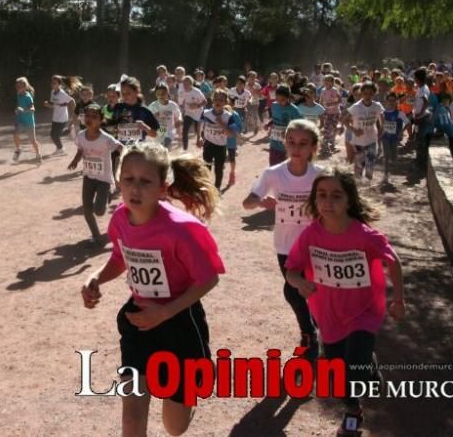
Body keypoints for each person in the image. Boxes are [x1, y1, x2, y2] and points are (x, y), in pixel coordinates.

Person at [80, 143, 224, 437]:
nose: (135, 188)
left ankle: (187, 397)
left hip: (180, 322)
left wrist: (166, 312)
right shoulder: (121, 218)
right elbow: (121, 257)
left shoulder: (181, 229)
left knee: (175, 427)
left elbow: (208, 279)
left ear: (163, 187)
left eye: (146, 181)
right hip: (139, 321)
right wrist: (96, 277)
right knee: (132, 422)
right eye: (128, 179)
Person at [285, 168, 405, 437]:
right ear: (315, 199)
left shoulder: (364, 235)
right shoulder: (311, 235)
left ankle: (352, 415)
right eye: (322, 195)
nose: (328, 202)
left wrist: (398, 300)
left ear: (349, 200)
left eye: (336, 196)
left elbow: (393, 262)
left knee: (352, 372)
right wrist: (300, 282)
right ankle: (363, 385)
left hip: (364, 312)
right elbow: (291, 270)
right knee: (338, 376)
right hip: (329, 315)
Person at [243, 120, 322, 360]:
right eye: (291, 142)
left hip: (316, 244)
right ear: (284, 142)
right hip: (286, 244)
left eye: (302, 143)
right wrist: (260, 202)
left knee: (312, 290)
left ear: (313, 147)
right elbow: (247, 202)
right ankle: (309, 331)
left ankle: (313, 330)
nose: (296, 148)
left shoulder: (320, 176)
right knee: (293, 289)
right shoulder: (273, 174)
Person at [68, 104, 123, 244]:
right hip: (88, 177)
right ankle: (96, 235)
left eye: (94, 116)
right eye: (87, 115)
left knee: (99, 211)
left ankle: (107, 195)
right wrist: (75, 161)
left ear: (101, 120)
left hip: (103, 179)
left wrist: (120, 161)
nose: (90, 119)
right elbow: (81, 150)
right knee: (87, 209)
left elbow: (120, 147)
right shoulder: (81, 136)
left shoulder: (105, 138)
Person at [198, 89, 240, 190]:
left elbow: (231, 135)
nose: (218, 101)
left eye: (221, 100)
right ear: (212, 100)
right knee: (206, 168)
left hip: (221, 146)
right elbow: (199, 124)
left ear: (225, 102)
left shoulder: (228, 116)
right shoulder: (205, 113)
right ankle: (206, 188)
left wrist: (221, 124)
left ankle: (217, 189)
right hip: (208, 144)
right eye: (216, 99)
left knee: (218, 169)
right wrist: (199, 137)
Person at [344, 82, 384, 181]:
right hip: (358, 141)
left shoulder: (377, 106)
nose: (367, 96)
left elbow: (382, 119)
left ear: (374, 94)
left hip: (372, 139)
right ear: (361, 93)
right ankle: (358, 186)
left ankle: (368, 185)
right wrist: (354, 130)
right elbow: (344, 120)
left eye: (370, 93)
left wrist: (381, 132)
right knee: (359, 164)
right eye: (365, 93)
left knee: (370, 164)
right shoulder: (356, 107)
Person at [109, 76, 160, 146]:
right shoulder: (118, 108)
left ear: (136, 92)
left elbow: (155, 134)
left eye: (128, 93)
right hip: (120, 148)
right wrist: (114, 128)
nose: (125, 96)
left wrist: (144, 127)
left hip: (138, 149)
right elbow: (111, 129)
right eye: (122, 93)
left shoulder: (144, 111)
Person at [267, 85, 302, 166]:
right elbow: (274, 118)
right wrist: (268, 124)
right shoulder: (274, 105)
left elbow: (300, 125)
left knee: (287, 167)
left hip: (287, 145)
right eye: (277, 99)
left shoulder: (294, 110)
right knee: (273, 166)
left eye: (282, 100)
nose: (279, 102)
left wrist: (288, 131)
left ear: (288, 97)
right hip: (274, 142)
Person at [44, 75, 76, 156]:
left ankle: (60, 148)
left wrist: (75, 112)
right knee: (53, 134)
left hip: (62, 117)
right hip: (55, 117)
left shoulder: (62, 93)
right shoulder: (52, 92)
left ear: (59, 84)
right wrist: (48, 104)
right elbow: (54, 104)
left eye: (54, 83)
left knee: (54, 135)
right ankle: (68, 132)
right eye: (52, 83)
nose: (52, 84)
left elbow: (72, 101)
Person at [380, 94, 408, 184]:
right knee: (387, 155)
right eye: (390, 100)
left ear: (396, 102)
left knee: (393, 157)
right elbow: (378, 124)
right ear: (386, 101)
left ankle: (391, 163)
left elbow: (408, 123)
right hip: (385, 137)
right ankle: (386, 175)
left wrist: (401, 132)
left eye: (393, 100)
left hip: (395, 138)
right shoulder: (382, 113)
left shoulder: (400, 113)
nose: (391, 102)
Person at [12, 77, 41, 164]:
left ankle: (38, 154)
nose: (18, 88)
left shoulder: (28, 97)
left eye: (20, 86)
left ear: (25, 87)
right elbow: (19, 106)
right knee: (15, 134)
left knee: (32, 140)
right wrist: (17, 110)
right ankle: (18, 150)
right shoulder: (18, 94)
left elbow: (32, 109)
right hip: (20, 120)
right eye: (17, 87)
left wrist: (24, 110)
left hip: (29, 122)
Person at [148, 83, 182, 151]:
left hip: (169, 131)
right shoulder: (153, 106)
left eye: (163, 93)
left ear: (167, 93)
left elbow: (178, 114)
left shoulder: (172, 105)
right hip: (158, 132)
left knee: (165, 146)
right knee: (159, 151)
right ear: (155, 94)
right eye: (158, 94)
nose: (161, 96)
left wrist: (179, 120)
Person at [411, 68, 433, 171]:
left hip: (422, 118)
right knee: (419, 139)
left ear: (418, 78)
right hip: (420, 117)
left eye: (415, 77)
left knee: (420, 141)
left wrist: (420, 112)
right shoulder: (421, 87)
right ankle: (419, 161)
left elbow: (426, 102)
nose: (414, 79)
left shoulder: (423, 89)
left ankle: (421, 163)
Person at [179, 76, 207, 151]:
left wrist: (197, 105)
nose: (185, 85)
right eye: (184, 84)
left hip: (198, 113)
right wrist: (181, 105)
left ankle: (202, 143)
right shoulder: (182, 91)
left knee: (197, 132)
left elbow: (205, 101)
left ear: (191, 84)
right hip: (188, 113)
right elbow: (181, 102)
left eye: (187, 84)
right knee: (185, 130)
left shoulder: (197, 92)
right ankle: (185, 149)